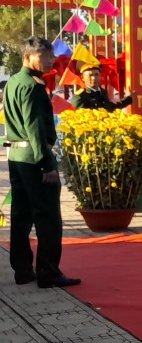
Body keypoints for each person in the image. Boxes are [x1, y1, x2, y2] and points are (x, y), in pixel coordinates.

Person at [3, 37, 78, 288]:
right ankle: (48, 271)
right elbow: (34, 128)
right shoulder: (33, 86)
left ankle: (23, 270)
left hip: (16, 156)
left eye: (50, 56)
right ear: (28, 57)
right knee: (47, 217)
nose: (50, 61)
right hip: (35, 158)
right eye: (44, 56)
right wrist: (47, 165)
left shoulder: (13, 81)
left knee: (21, 216)